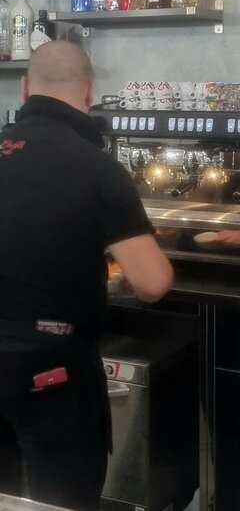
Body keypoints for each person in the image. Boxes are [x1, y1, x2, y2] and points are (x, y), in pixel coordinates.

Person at [0, 41, 173, 511]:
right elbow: (152, 283)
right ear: (90, 92)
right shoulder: (98, 168)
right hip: (51, 369)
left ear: (25, 88)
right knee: (63, 500)